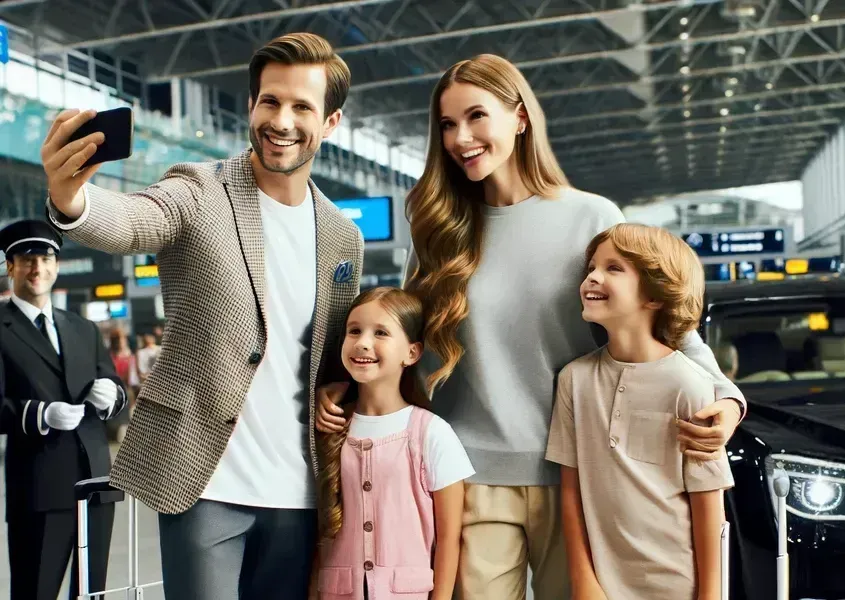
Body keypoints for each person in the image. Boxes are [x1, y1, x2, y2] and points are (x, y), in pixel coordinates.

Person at [317, 53, 746, 600]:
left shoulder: (593, 218)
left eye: (476, 117)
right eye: (447, 125)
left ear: (520, 117)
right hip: (470, 476)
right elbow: (406, 346)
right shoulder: (436, 236)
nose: (460, 138)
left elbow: (671, 328)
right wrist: (349, 388)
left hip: (583, 476)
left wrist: (726, 398)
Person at [39, 32, 363, 599]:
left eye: (301, 107)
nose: (281, 120)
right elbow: (132, 221)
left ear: (330, 122)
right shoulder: (199, 189)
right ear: (250, 105)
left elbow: (333, 353)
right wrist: (73, 202)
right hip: (206, 483)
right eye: (270, 101)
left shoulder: (344, 238)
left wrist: (340, 389)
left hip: (301, 492)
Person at [545, 223, 734, 600]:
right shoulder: (574, 380)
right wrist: (583, 581)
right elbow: (571, 492)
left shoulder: (688, 384)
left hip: (678, 585)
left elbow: (708, 507)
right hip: (601, 585)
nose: (592, 279)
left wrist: (711, 595)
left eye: (614, 269)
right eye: (592, 268)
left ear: (656, 296)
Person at [316, 287, 472, 600]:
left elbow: (448, 539)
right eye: (354, 330)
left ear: (411, 353)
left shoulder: (432, 434)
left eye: (381, 332)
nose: (362, 342)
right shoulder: (329, 427)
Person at [0, 219, 127, 600]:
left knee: (92, 594)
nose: (37, 268)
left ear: (56, 265)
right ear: (10, 267)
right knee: (35, 592)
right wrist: (38, 415)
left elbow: (114, 391)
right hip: (39, 489)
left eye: (45, 258)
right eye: (26, 260)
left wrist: (113, 398)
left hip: (96, 484)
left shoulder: (83, 329)